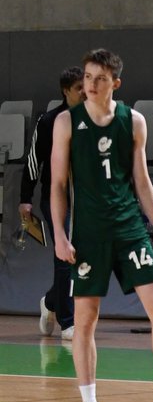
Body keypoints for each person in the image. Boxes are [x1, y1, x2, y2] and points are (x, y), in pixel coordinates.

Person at [50, 48, 153, 402]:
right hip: (89, 233)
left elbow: (142, 182)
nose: (91, 85)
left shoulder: (133, 121)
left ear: (115, 83)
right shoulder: (66, 123)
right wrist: (59, 234)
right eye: (87, 77)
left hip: (129, 228)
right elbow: (57, 184)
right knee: (84, 320)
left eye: (99, 78)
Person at [21, 66, 83, 341]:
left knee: (81, 258)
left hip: (83, 200)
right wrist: (25, 199)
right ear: (65, 91)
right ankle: (67, 322)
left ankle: (49, 302)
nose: (85, 92)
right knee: (64, 255)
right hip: (55, 198)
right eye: (79, 88)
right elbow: (33, 161)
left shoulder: (94, 119)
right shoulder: (49, 121)